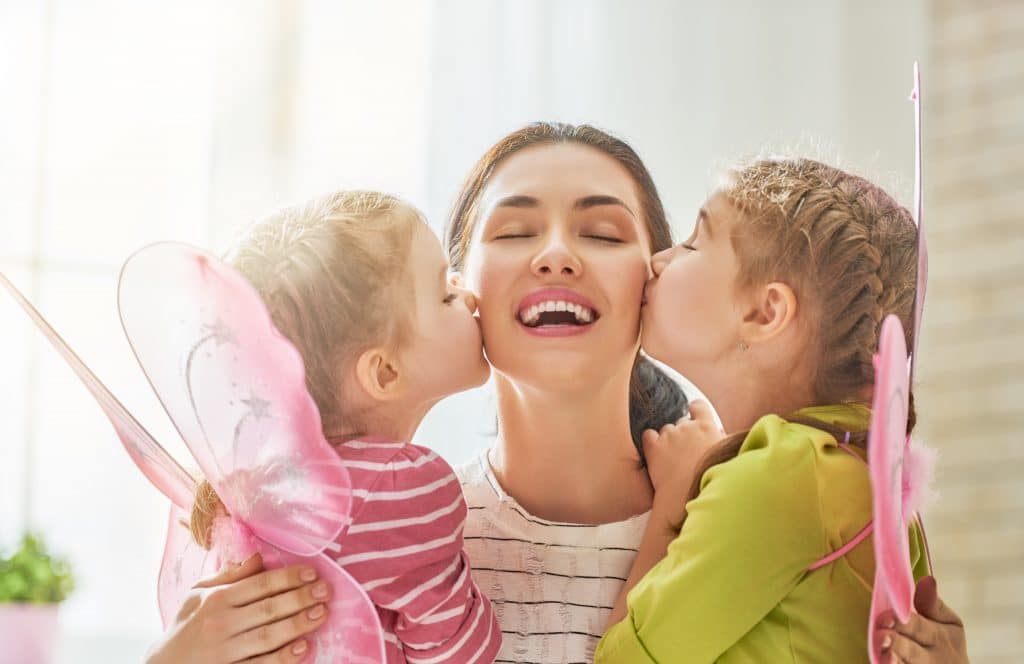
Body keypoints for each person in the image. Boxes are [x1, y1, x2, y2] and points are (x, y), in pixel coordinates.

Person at [146, 127, 970, 664]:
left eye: (605, 233)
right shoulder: (374, 539)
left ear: (653, 285)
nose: (555, 254)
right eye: (512, 230)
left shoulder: (758, 518)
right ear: (459, 293)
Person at [596, 158, 933, 662]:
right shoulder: (864, 474)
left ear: (765, 312)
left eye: (692, 242)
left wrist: (673, 503)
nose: (660, 261)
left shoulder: (782, 476)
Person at [156, 191, 500, 663]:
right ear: (384, 373)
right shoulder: (406, 489)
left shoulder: (256, 492)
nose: (469, 294)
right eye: (446, 294)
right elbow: (460, 652)